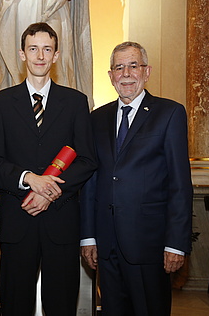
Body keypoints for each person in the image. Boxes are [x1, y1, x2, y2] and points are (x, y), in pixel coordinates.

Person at [0, 22, 97, 315]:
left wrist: (48, 192)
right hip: (18, 219)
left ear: (56, 55)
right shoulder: (1, 103)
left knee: (61, 302)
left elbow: (87, 160)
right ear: (22, 54)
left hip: (61, 220)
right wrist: (29, 179)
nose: (40, 56)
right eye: (33, 49)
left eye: (47, 49)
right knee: (14, 302)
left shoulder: (75, 102)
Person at [80, 42, 193, 316]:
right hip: (106, 246)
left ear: (147, 71)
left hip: (150, 245)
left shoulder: (169, 113)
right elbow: (90, 181)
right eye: (119, 67)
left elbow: (180, 184)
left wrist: (176, 243)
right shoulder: (97, 118)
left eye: (133, 65)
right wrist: (88, 237)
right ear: (110, 76)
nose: (126, 73)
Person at [0, 0, 94, 109]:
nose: (40, 55)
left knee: (58, 67)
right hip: (15, 1)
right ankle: (18, 116)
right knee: (15, 71)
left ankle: (60, 118)